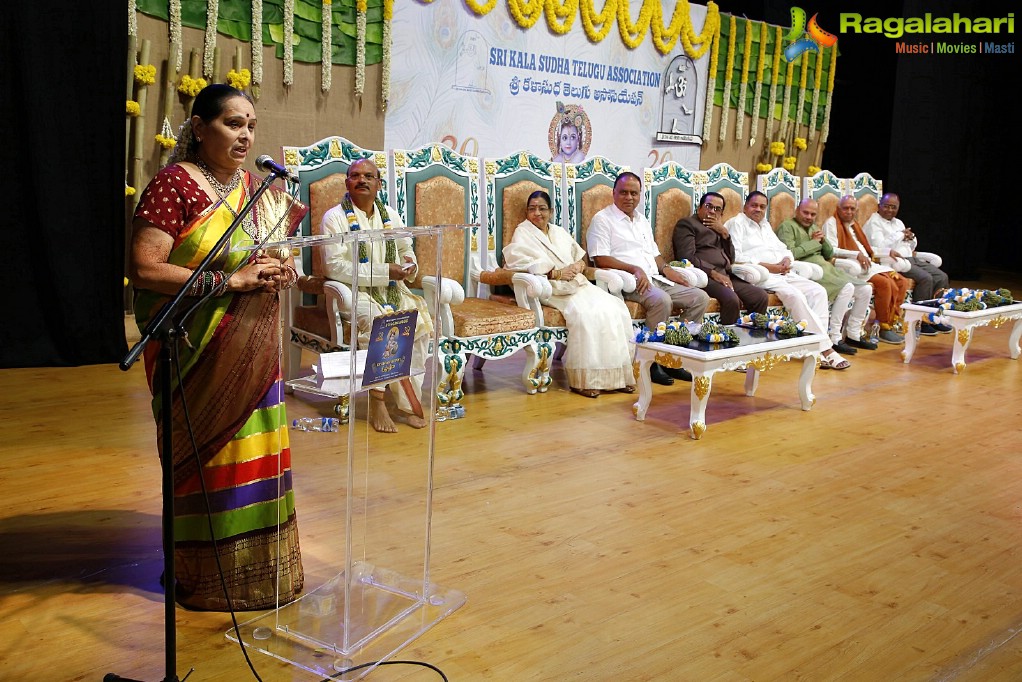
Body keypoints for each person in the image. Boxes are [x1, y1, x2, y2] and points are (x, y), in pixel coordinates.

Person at [128, 83, 304, 610]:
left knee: (256, 454)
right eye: (232, 123)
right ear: (199, 128)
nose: (245, 134)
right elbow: (144, 268)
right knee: (205, 460)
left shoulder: (262, 191)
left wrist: (280, 271)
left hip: (254, 353)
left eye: (251, 124)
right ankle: (201, 575)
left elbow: (269, 258)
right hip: (194, 347)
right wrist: (230, 283)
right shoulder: (173, 185)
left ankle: (257, 575)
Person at [320, 158, 433, 433]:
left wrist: (409, 265)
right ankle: (377, 399)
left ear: (378, 184)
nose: (362, 180)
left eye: (369, 176)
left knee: (419, 323)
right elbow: (334, 266)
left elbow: (406, 246)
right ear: (347, 182)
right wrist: (385, 271)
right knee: (381, 323)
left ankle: (406, 402)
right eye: (355, 175)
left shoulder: (390, 215)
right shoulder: (334, 217)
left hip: (392, 288)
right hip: (354, 291)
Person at [502, 190, 636, 398]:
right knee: (585, 314)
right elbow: (517, 262)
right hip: (550, 288)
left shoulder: (558, 231)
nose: (537, 213)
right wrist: (556, 272)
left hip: (577, 284)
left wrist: (576, 266)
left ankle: (618, 377)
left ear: (551, 211)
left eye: (542, 208)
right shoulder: (523, 232)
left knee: (615, 308)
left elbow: (580, 257)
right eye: (532, 209)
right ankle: (585, 380)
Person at [588, 172, 710, 385]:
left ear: (640, 195)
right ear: (613, 193)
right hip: (628, 280)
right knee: (661, 300)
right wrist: (634, 268)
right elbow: (600, 258)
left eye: (634, 193)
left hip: (654, 277)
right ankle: (651, 362)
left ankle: (673, 358)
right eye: (624, 192)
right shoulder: (602, 219)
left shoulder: (641, 219)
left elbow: (654, 254)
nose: (629, 197)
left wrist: (666, 268)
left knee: (699, 297)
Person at [726, 191, 851, 369]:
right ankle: (825, 349)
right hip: (760, 273)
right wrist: (772, 267)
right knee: (795, 296)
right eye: (754, 205)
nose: (758, 210)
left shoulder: (765, 225)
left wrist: (786, 260)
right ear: (745, 206)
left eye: (762, 207)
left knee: (818, 291)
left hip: (783, 271)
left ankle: (815, 350)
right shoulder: (737, 223)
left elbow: (783, 248)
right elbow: (736, 256)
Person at [776, 199, 872, 357]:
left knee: (865, 289)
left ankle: (853, 333)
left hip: (828, 268)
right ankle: (834, 336)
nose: (809, 217)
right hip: (809, 270)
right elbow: (790, 254)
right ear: (796, 211)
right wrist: (814, 242)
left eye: (813, 214)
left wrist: (823, 240)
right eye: (805, 212)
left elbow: (828, 254)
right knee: (847, 288)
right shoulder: (787, 226)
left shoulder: (814, 227)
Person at [823, 196, 911, 345]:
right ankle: (884, 326)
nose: (849, 212)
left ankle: (890, 323)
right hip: (850, 265)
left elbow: (867, 249)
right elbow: (831, 250)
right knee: (884, 283)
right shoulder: (831, 223)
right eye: (846, 208)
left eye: (852, 209)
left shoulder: (854, 225)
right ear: (838, 209)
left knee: (900, 281)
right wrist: (856, 254)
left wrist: (885, 252)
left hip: (867, 263)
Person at [672, 192, 769, 325]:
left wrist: (724, 233)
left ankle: (752, 337)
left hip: (725, 275)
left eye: (717, 209)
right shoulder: (687, 224)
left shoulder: (718, 228)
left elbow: (731, 258)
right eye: (708, 206)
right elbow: (686, 257)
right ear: (699, 208)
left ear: (721, 214)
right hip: (704, 276)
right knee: (732, 300)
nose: (712, 211)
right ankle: (729, 340)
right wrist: (713, 273)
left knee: (760, 296)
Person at [863, 192, 952, 335]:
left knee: (942, 277)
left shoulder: (898, 223)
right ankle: (920, 321)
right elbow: (880, 246)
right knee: (926, 278)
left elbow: (910, 247)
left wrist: (911, 238)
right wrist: (899, 235)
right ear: (879, 206)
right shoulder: (874, 223)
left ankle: (935, 317)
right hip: (894, 261)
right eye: (887, 206)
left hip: (910, 258)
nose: (890, 210)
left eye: (894, 207)